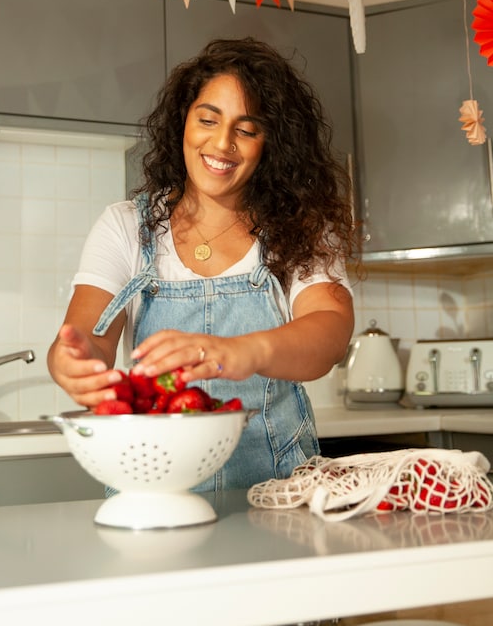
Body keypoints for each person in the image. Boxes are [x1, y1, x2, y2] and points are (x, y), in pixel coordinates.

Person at [47, 36, 356, 491]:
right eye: (207, 119)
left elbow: (329, 330)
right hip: (153, 490)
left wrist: (238, 352)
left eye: (246, 129)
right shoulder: (127, 225)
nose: (222, 142)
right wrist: (71, 364)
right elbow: (88, 341)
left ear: (272, 143)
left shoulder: (301, 227)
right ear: (182, 124)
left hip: (282, 491)